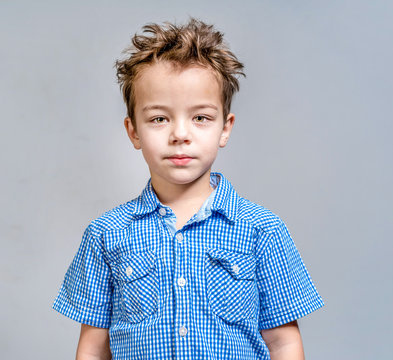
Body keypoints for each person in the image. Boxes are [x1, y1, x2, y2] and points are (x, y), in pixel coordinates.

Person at [53, 18, 324, 359]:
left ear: (225, 129)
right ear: (133, 131)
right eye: (159, 119)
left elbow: (283, 343)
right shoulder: (105, 235)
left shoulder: (263, 231)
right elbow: (93, 349)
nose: (180, 134)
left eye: (200, 118)